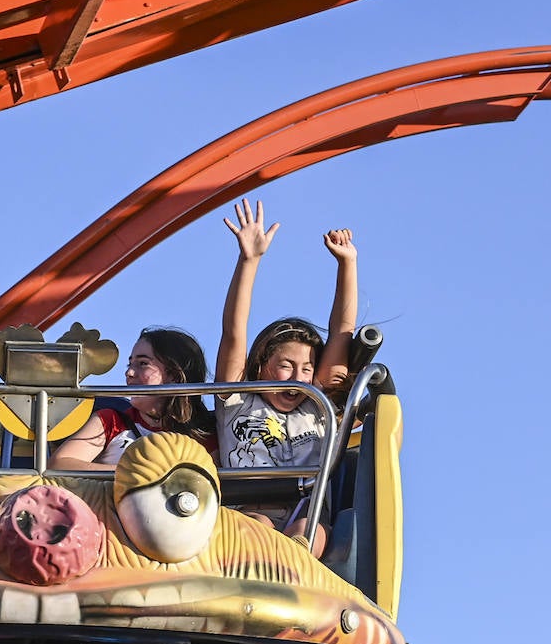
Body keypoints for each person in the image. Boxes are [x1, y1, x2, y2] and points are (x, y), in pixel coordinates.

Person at [214, 198, 358, 555]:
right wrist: (249, 260)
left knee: (306, 530)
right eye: (286, 366)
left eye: (307, 369)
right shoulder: (237, 400)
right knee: (256, 528)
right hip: (249, 508)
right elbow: (234, 332)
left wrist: (347, 265)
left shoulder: (316, 406)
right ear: (262, 365)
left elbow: (342, 332)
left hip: (302, 509)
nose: (297, 378)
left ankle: (295, 572)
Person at [49, 327, 217, 470]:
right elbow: (60, 463)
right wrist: (133, 474)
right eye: (130, 364)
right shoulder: (111, 421)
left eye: (143, 363)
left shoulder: (205, 433)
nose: (129, 373)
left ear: (173, 375)